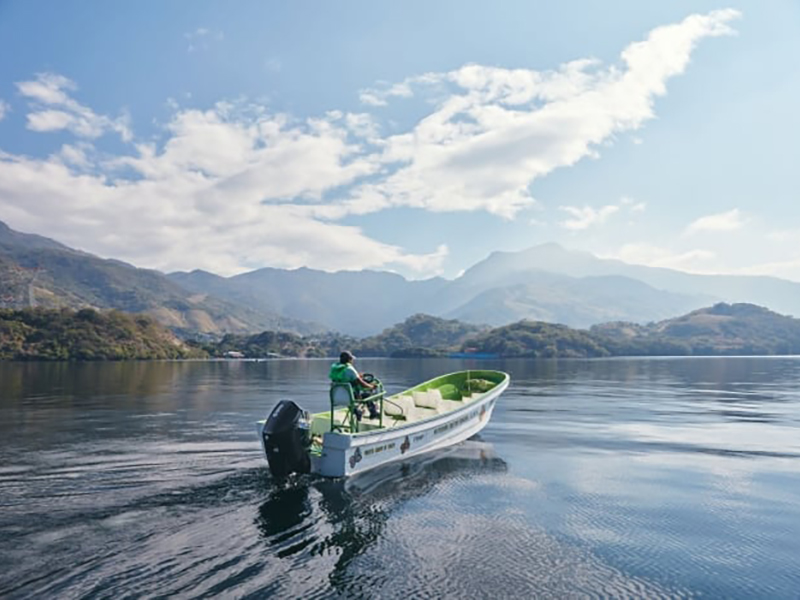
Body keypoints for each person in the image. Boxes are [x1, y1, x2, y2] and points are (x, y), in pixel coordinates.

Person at [329, 351, 380, 420]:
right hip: (351, 397)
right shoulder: (350, 369)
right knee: (367, 395)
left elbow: (343, 379)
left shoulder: (335, 368)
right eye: (352, 359)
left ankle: (357, 412)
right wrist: (372, 386)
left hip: (337, 397)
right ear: (349, 359)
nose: (352, 361)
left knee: (349, 397)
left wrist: (358, 375)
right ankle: (373, 413)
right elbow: (361, 383)